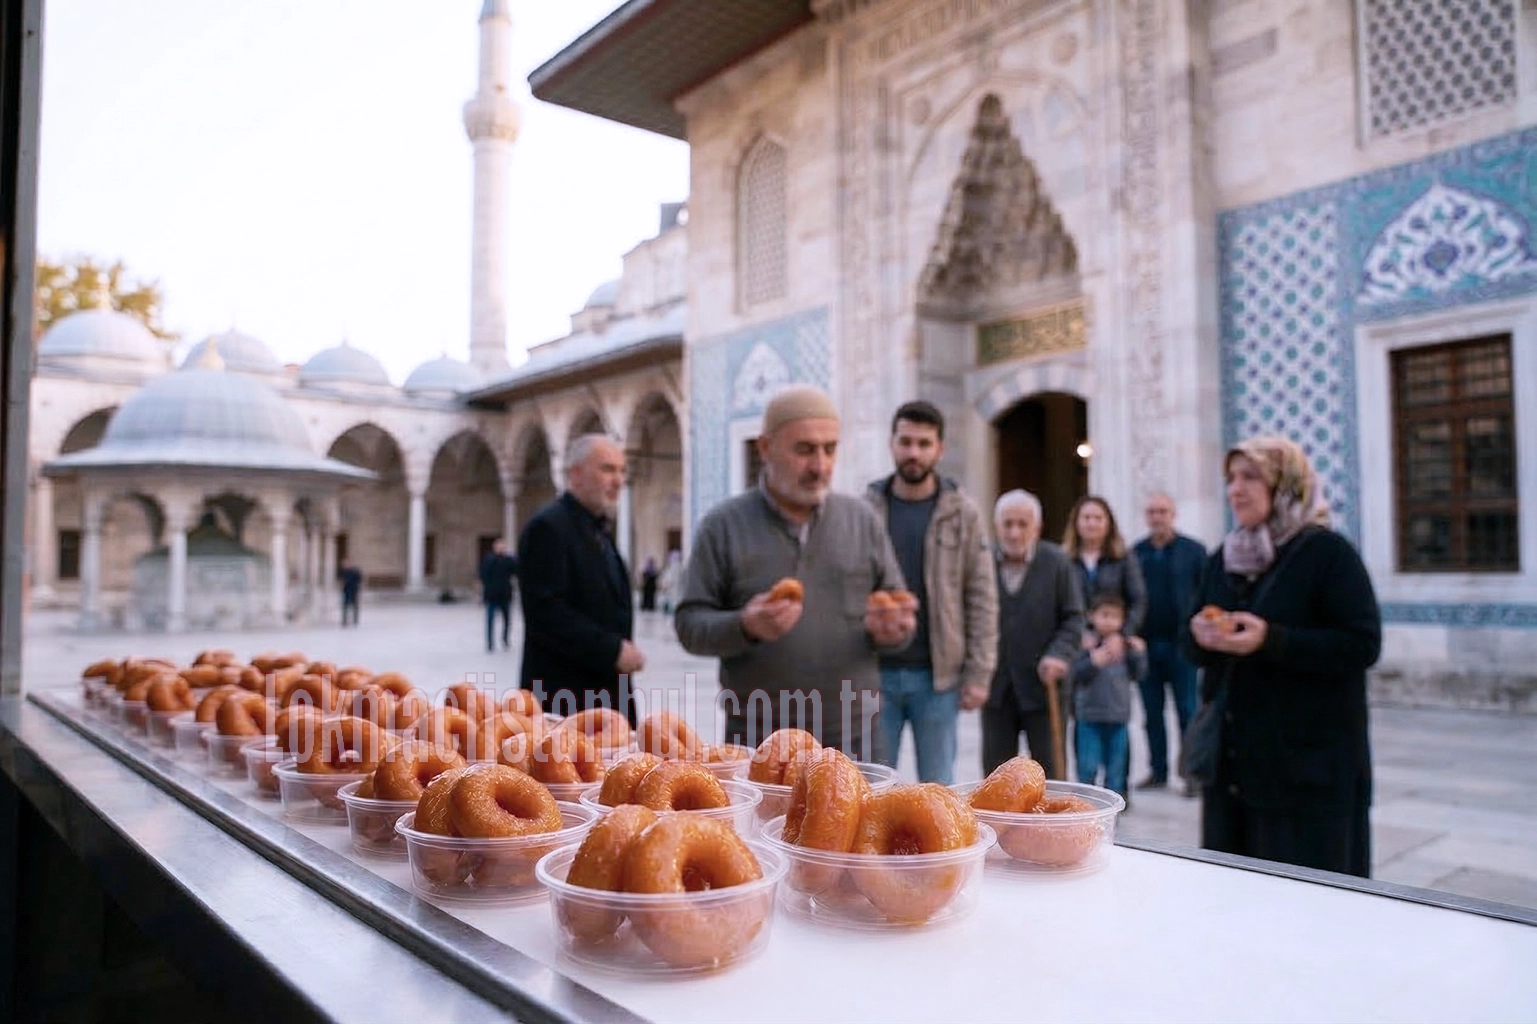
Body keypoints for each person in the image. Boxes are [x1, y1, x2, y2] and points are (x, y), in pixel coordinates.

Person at [675, 384, 916, 758]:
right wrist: (745, 625)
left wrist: (894, 630)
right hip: (760, 740)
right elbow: (690, 626)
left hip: (856, 736)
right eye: (804, 450)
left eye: (829, 449)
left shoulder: (862, 520)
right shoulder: (722, 526)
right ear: (765, 448)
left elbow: (895, 609)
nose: (820, 466)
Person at [1182, 436, 1381, 877]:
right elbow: (1191, 642)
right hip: (1235, 772)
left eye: (1250, 476)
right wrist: (1199, 636)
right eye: (1231, 478)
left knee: (1304, 910)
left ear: (1286, 484)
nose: (1236, 489)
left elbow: (1362, 643)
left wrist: (1272, 640)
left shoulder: (1328, 555)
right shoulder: (1225, 558)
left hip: (1306, 775)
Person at [863, 400, 997, 784]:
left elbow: (982, 596)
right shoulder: (866, 510)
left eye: (923, 443)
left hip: (938, 679)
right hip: (876, 676)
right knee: (872, 788)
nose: (913, 452)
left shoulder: (963, 513)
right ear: (892, 444)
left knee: (938, 790)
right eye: (905, 442)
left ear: (940, 448)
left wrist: (979, 673)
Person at [517, 434, 645, 720]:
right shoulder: (548, 528)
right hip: (565, 701)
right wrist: (613, 650)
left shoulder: (596, 530)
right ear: (576, 475)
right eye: (607, 469)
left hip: (606, 697)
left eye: (622, 471)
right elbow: (546, 613)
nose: (618, 480)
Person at [982, 490, 1085, 780]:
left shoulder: (1057, 563)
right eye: (1007, 523)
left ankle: (1048, 828)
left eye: (1022, 524)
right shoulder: (983, 561)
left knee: (1049, 774)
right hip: (996, 688)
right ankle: (1000, 828)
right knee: (995, 777)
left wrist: (1059, 654)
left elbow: (1074, 617)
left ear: (1036, 528)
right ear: (997, 526)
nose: (1014, 533)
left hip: (1044, 687)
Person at [1132, 492, 1207, 794]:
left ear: (1173, 514)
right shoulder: (1136, 554)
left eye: (1162, 511)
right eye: (1152, 512)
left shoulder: (1194, 551)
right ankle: (1157, 771)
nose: (1157, 517)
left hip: (1182, 647)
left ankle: (1191, 774)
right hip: (1148, 646)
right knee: (1152, 713)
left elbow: (1205, 594)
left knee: (1187, 710)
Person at [1070, 594, 1146, 799]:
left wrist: (1138, 653)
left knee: (1116, 771)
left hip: (1118, 717)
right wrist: (1093, 661)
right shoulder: (1084, 645)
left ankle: (1112, 811)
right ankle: (1085, 806)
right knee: (1087, 767)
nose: (1108, 621)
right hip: (1088, 717)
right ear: (1092, 616)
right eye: (1104, 615)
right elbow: (1074, 676)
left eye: (1114, 617)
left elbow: (1139, 673)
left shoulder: (1126, 647)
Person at [1063, 495, 1147, 635]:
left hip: (1115, 642)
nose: (1092, 523)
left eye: (1098, 518)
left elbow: (1139, 601)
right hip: (1074, 642)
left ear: (1109, 523)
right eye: (1086, 518)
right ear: (1076, 523)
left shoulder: (1124, 558)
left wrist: (1123, 635)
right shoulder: (1063, 559)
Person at [478, 537, 518, 652]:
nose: (500, 548)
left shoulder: (509, 560)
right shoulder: (489, 559)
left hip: (505, 594)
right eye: (498, 546)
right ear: (494, 547)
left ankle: (505, 639)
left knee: (507, 619)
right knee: (490, 619)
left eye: (502, 546)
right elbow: (483, 574)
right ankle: (490, 642)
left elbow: (516, 571)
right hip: (492, 594)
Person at [657, 549, 682, 614]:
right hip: (676, 593)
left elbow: (668, 580)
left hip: (672, 592)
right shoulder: (681, 568)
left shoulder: (672, 568)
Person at [339, 560, 362, 627]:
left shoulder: (354, 572)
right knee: (345, 606)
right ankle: (344, 620)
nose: (345, 565)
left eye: (346, 564)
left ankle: (355, 620)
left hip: (353, 590)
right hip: (346, 591)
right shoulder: (343, 572)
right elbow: (342, 581)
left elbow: (359, 580)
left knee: (354, 605)